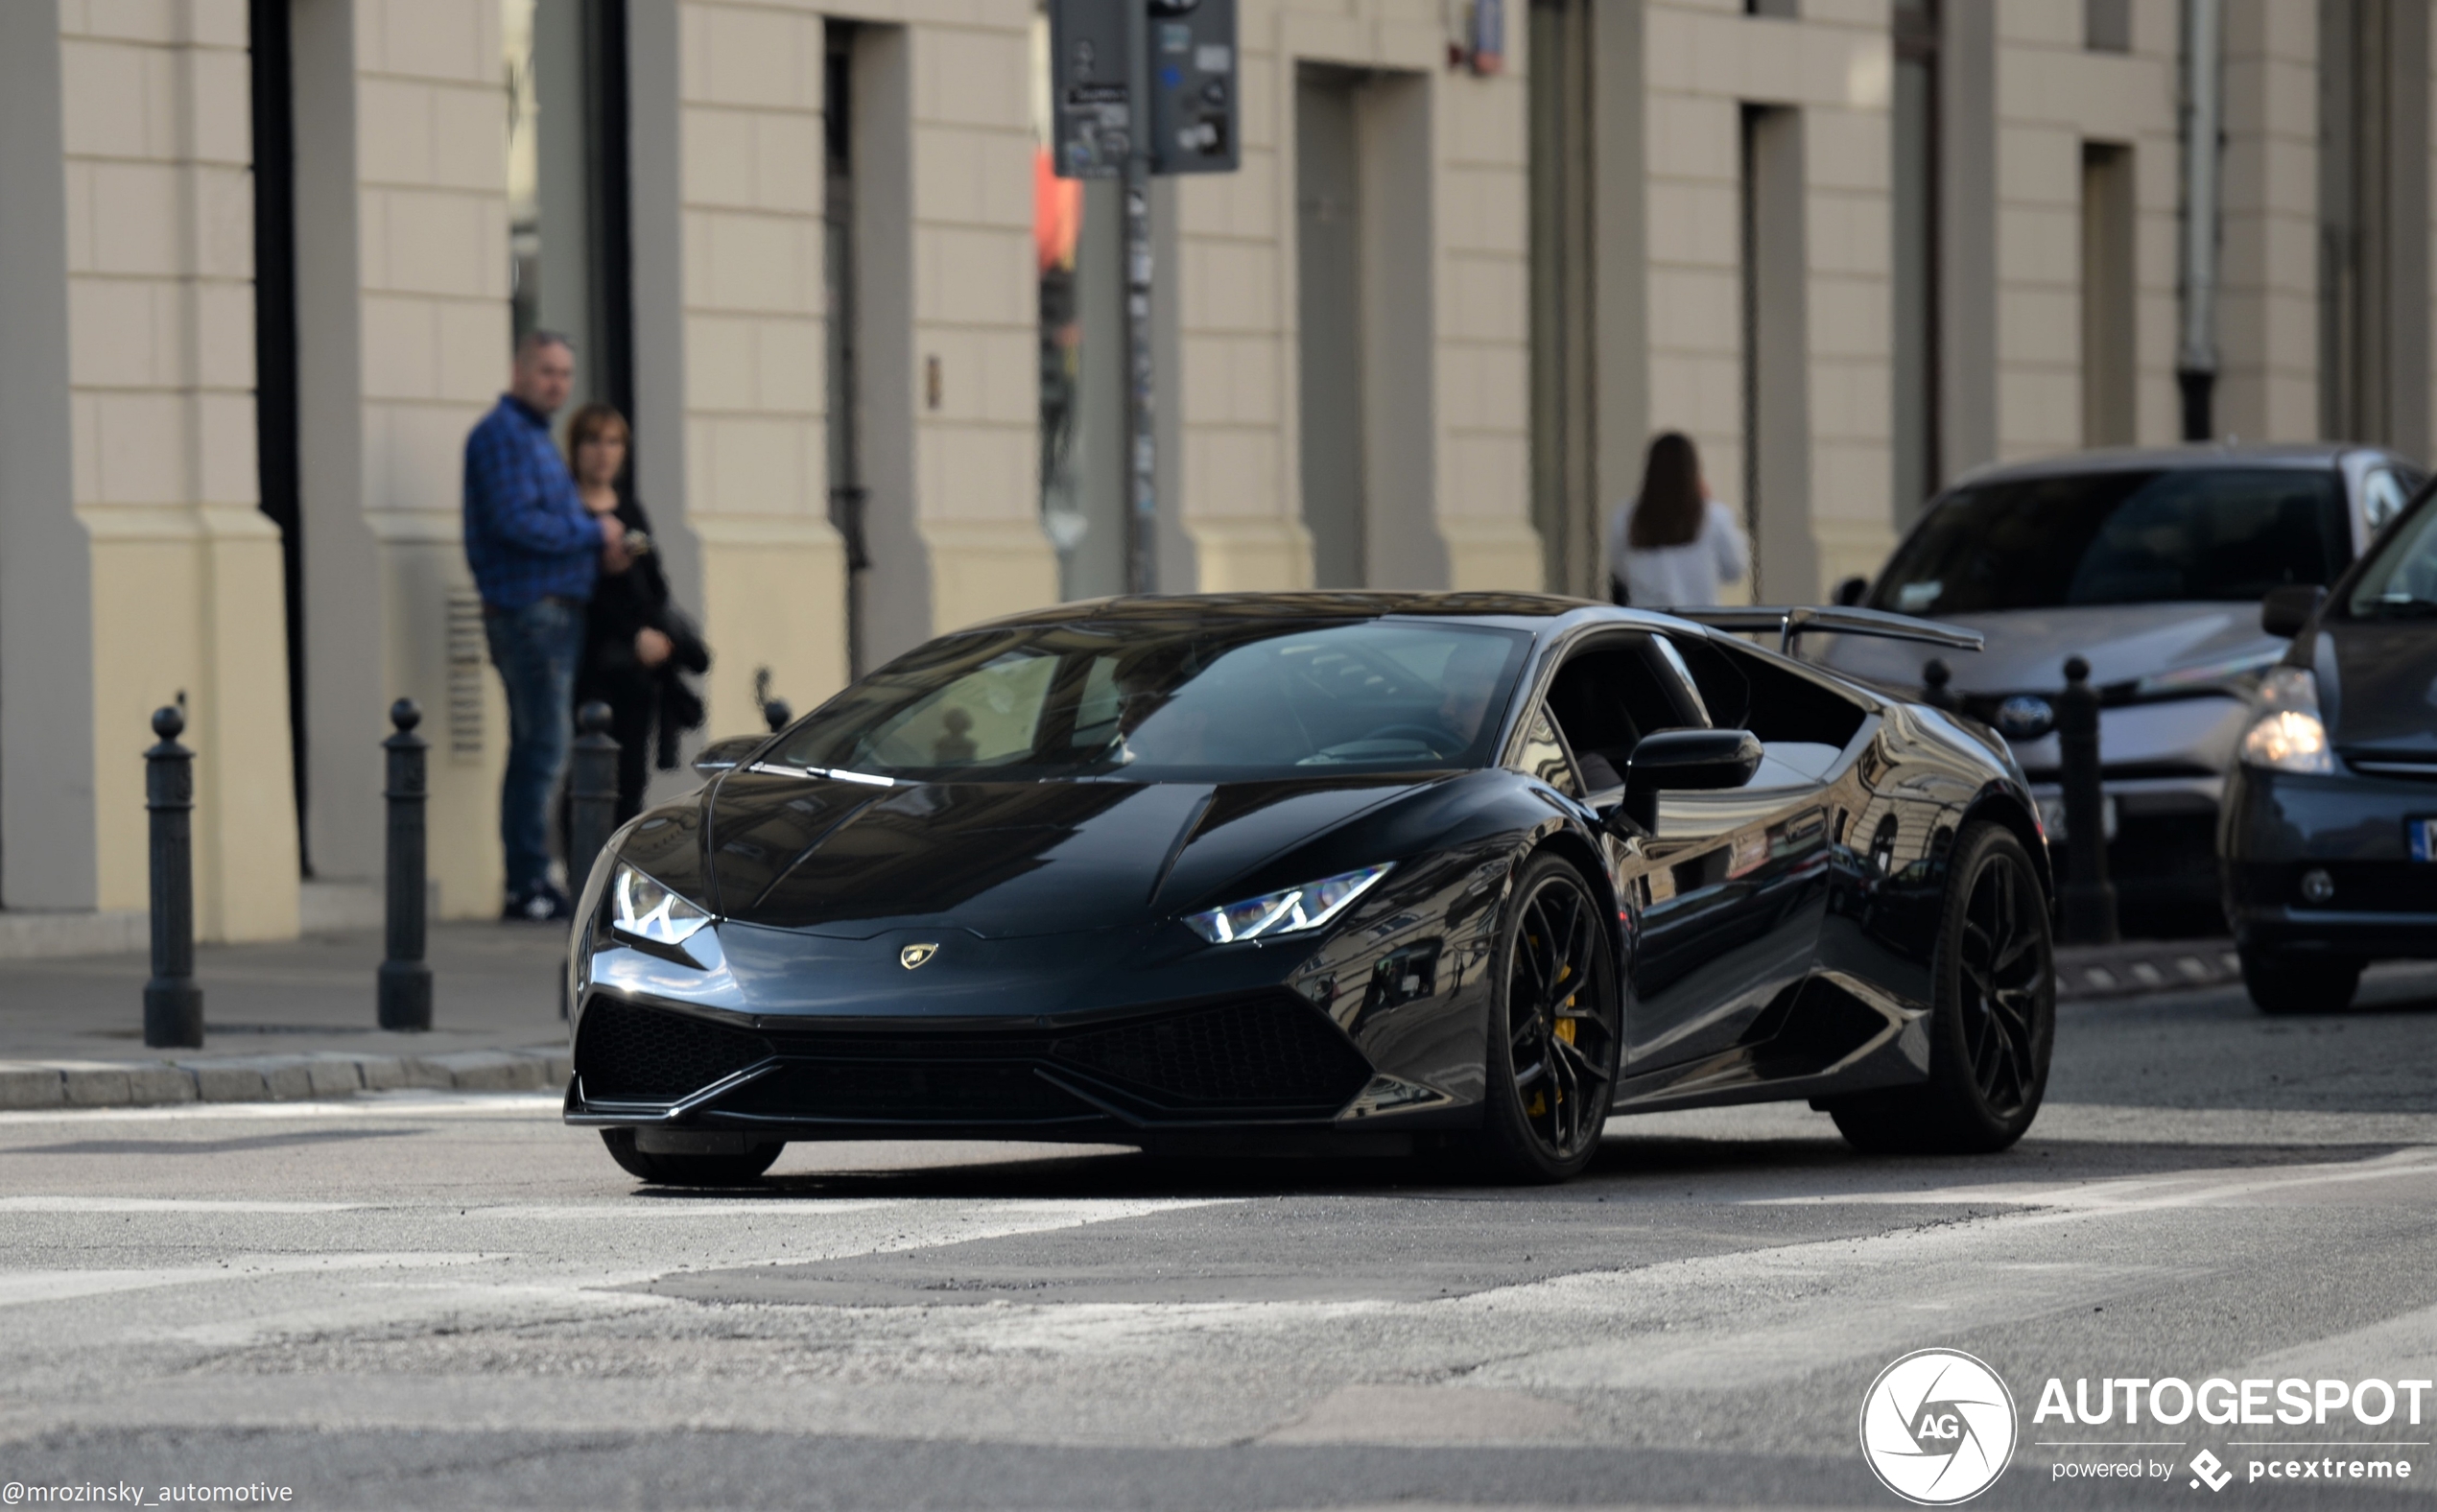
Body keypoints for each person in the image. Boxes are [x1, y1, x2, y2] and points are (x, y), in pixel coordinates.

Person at [463, 331, 625, 921]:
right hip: (531, 612)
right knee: (542, 747)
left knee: (539, 745)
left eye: (565, 373)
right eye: (547, 371)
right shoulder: (504, 435)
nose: (557, 383)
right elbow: (515, 523)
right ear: (519, 371)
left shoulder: (532, 437)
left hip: (552, 611)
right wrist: (593, 533)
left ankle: (532, 877)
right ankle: (528, 881)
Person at [564, 402, 709, 822]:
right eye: (593, 441)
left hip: (639, 669)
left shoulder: (630, 509)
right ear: (575, 449)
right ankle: (581, 873)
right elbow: (582, 592)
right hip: (591, 662)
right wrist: (632, 634)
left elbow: (655, 582)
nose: (603, 452)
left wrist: (655, 635)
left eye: (613, 442)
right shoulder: (568, 513)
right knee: (587, 777)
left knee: (631, 780)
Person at [1606, 431, 1749, 609]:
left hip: (1646, 624)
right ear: (1694, 469)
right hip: (1701, 624)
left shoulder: (1626, 518)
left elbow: (1621, 571)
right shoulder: (1713, 517)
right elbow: (1735, 569)